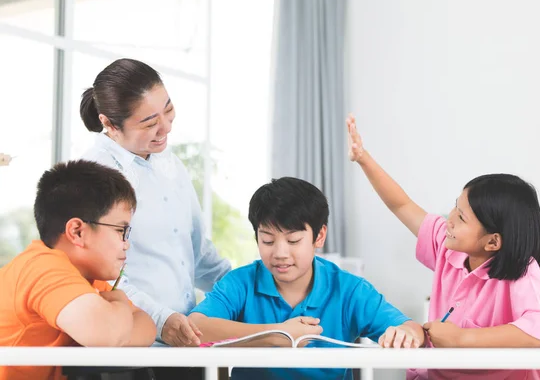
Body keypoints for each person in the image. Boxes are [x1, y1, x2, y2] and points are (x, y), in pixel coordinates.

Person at [346, 114, 540, 380]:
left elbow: (539, 334)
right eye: (455, 207)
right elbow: (401, 205)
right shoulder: (450, 248)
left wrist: (463, 338)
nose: (449, 219)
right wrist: (363, 158)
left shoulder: (522, 272)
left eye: (462, 217)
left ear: (493, 241)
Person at [188, 177, 424, 380]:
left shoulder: (348, 289)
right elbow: (195, 327)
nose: (280, 253)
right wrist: (278, 335)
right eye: (267, 240)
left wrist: (408, 334)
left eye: (293, 241)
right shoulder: (240, 283)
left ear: (319, 236)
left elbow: (412, 328)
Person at [79, 58, 231, 352]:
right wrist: (162, 320)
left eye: (169, 110)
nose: (165, 129)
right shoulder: (94, 175)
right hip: (134, 347)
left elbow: (199, 255)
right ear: (109, 123)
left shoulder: (168, 162)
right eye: (149, 123)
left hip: (187, 340)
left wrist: (250, 293)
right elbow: (100, 277)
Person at [0, 160, 156, 380]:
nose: (126, 243)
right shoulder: (42, 268)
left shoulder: (86, 278)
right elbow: (107, 333)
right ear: (77, 231)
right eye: (121, 230)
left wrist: (114, 331)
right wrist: (119, 302)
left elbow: (147, 326)